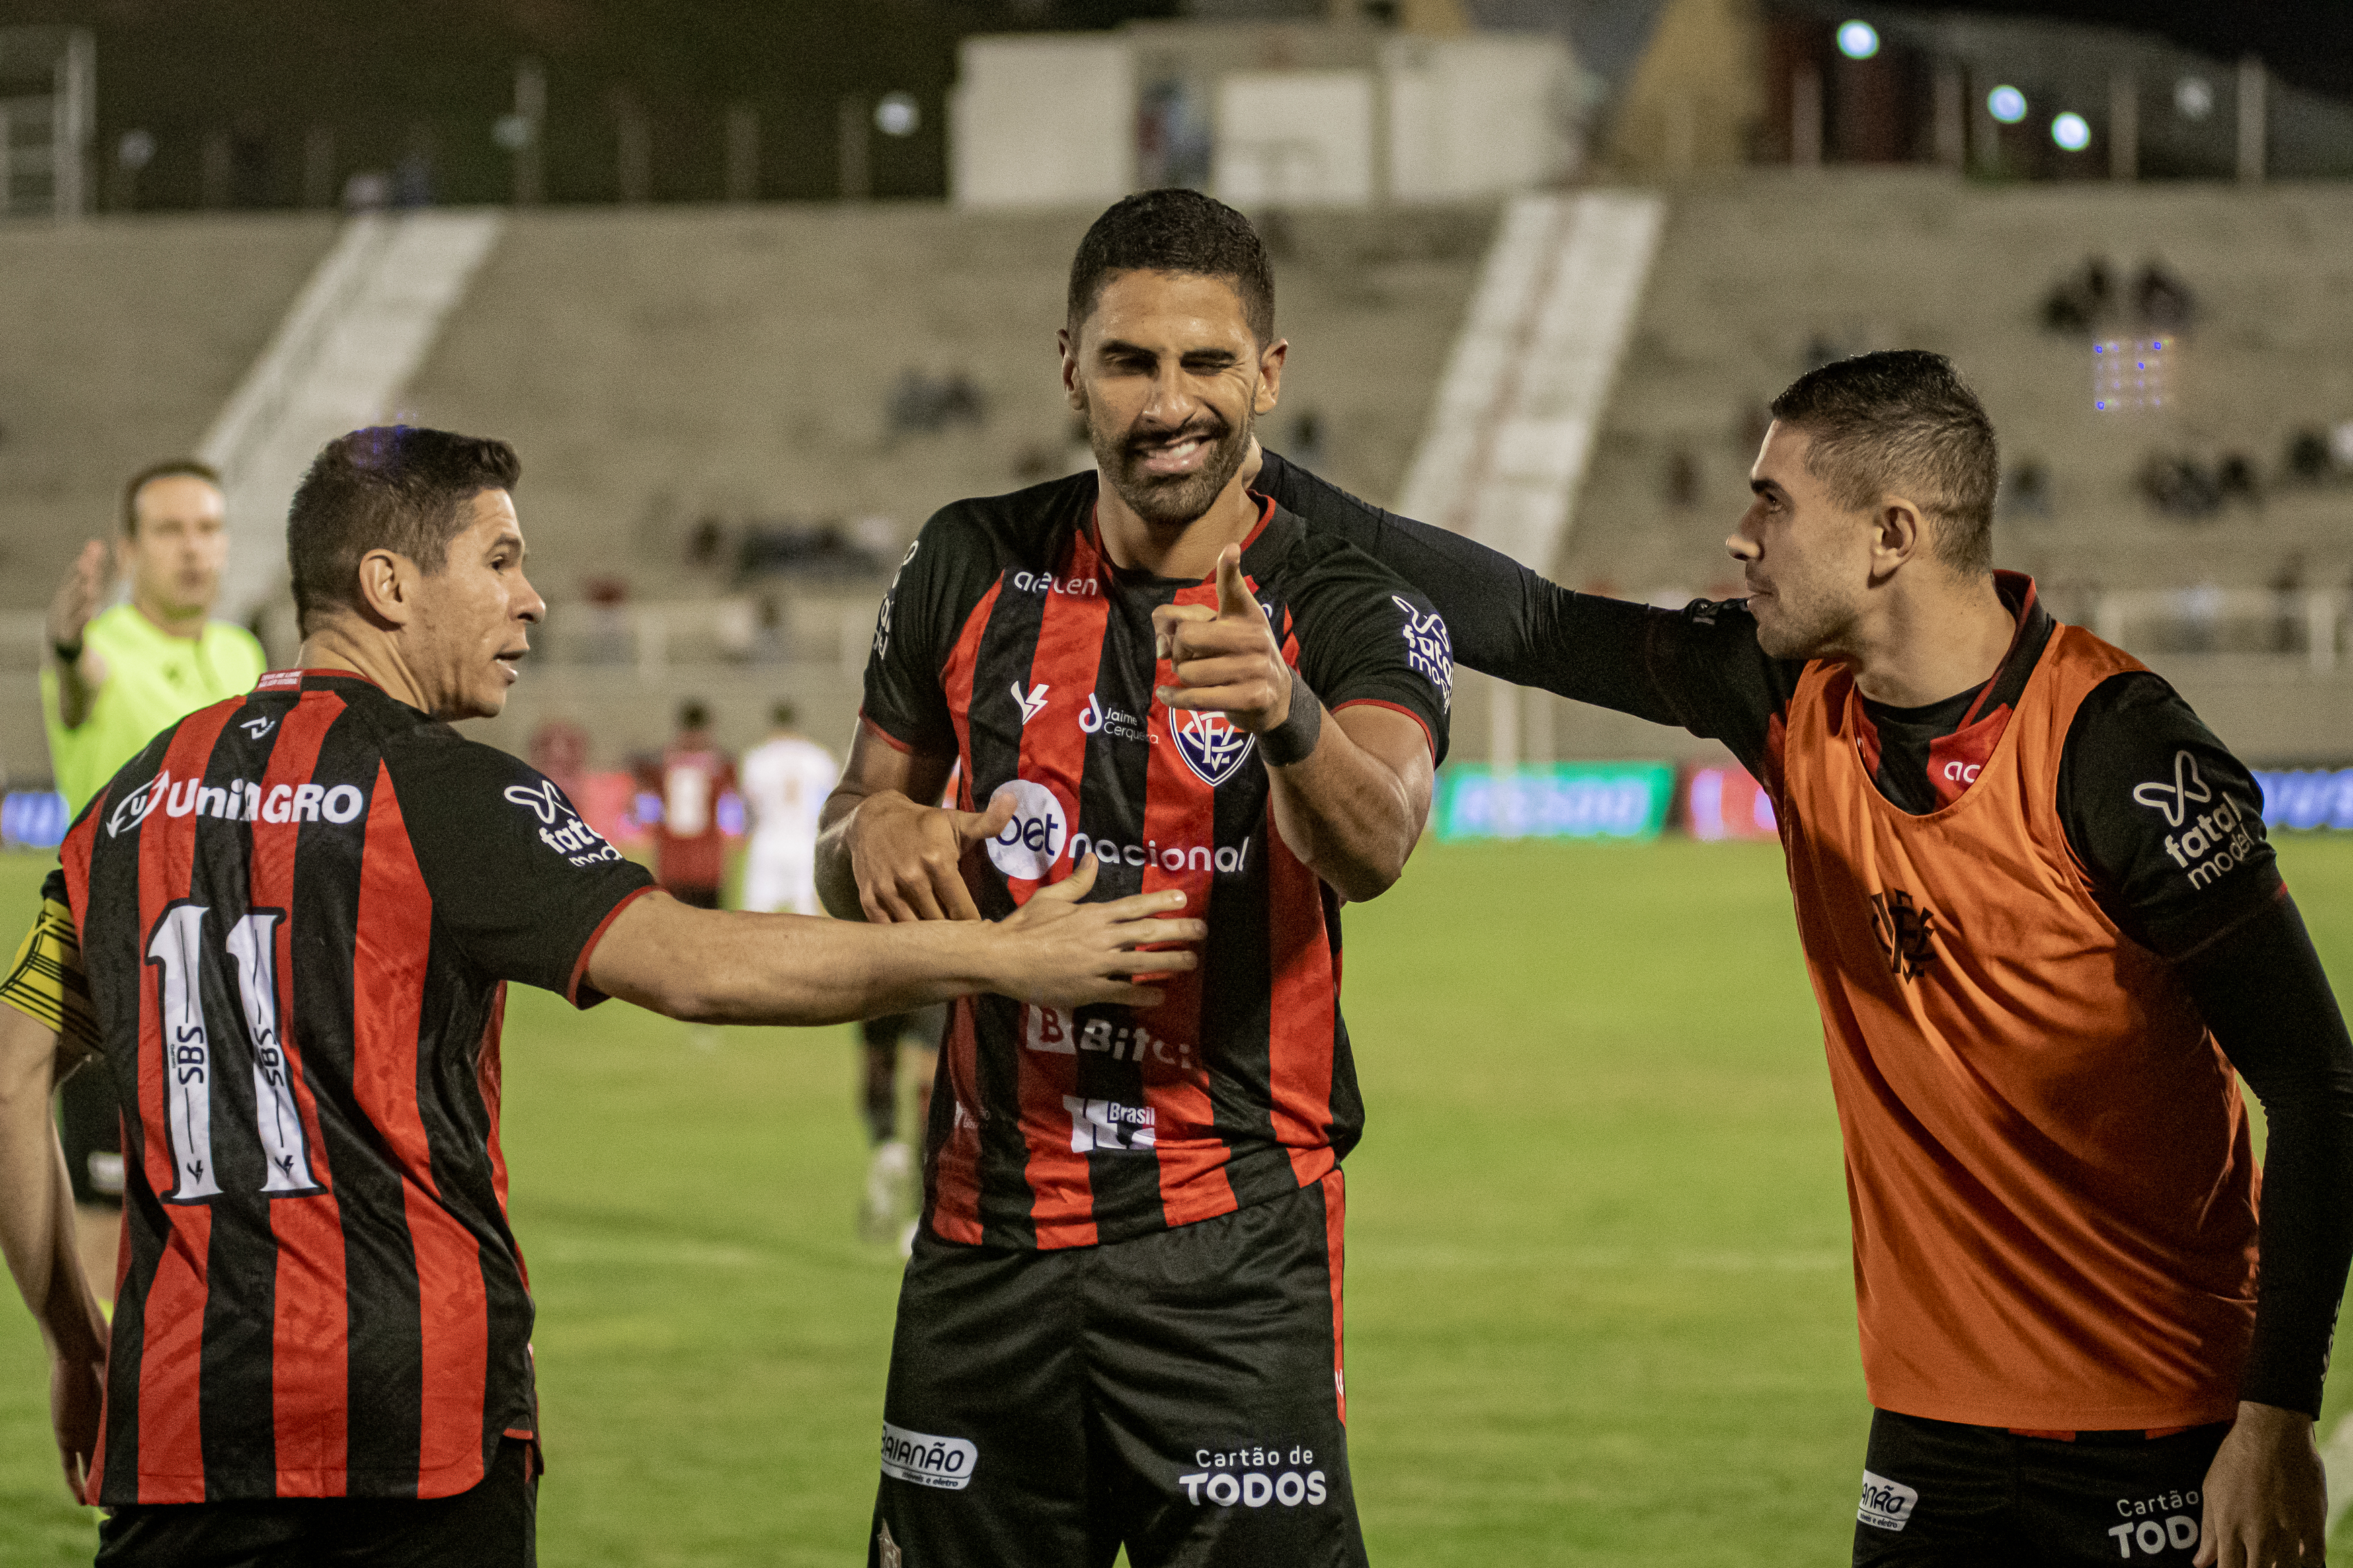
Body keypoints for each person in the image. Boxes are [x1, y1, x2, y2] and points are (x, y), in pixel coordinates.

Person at [0, 425, 1203, 1566]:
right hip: (411, 1430)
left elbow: (10, 1077)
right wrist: (1001, 957)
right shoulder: (449, 797)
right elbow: (697, 967)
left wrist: (73, 1338)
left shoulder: (127, 806)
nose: (531, 600)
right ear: (387, 584)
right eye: (501, 560)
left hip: (176, 1431)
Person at [1258, 351, 2347, 1568]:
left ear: (1891, 533)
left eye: (1774, 502)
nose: (1739, 536)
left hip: (2163, 1430)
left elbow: (2318, 1086)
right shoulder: (1790, 697)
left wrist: (2277, 1414)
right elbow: (1538, 621)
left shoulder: (2116, 751)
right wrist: (1254, 481)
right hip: (1929, 1442)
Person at [819, 188, 1453, 1568]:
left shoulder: (1347, 599)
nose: (1169, 402)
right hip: (987, 1241)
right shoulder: (965, 559)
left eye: (1206, 362)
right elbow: (856, 818)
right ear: (1071, 369)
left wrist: (1287, 712)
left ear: (1267, 374)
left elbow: (1379, 840)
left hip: (1231, 1246)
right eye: (1130, 361)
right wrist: (866, 835)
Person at [38, 459, 269, 1303]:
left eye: (207, 528)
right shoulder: (101, 651)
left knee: (231, 1217)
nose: (193, 549)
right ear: (130, 551)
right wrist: (66, 645)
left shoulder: (242, 654)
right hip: (121, 975)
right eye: (170, 530)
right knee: (110, 1217)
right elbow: (78, 688)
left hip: (233, 982)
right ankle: (105, 1423)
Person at [651, 700, 734, 908]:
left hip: (672, 863)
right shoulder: (720, 764)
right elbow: (731, 812)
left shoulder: (663, 763)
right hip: (707, 864)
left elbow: (647, 812)